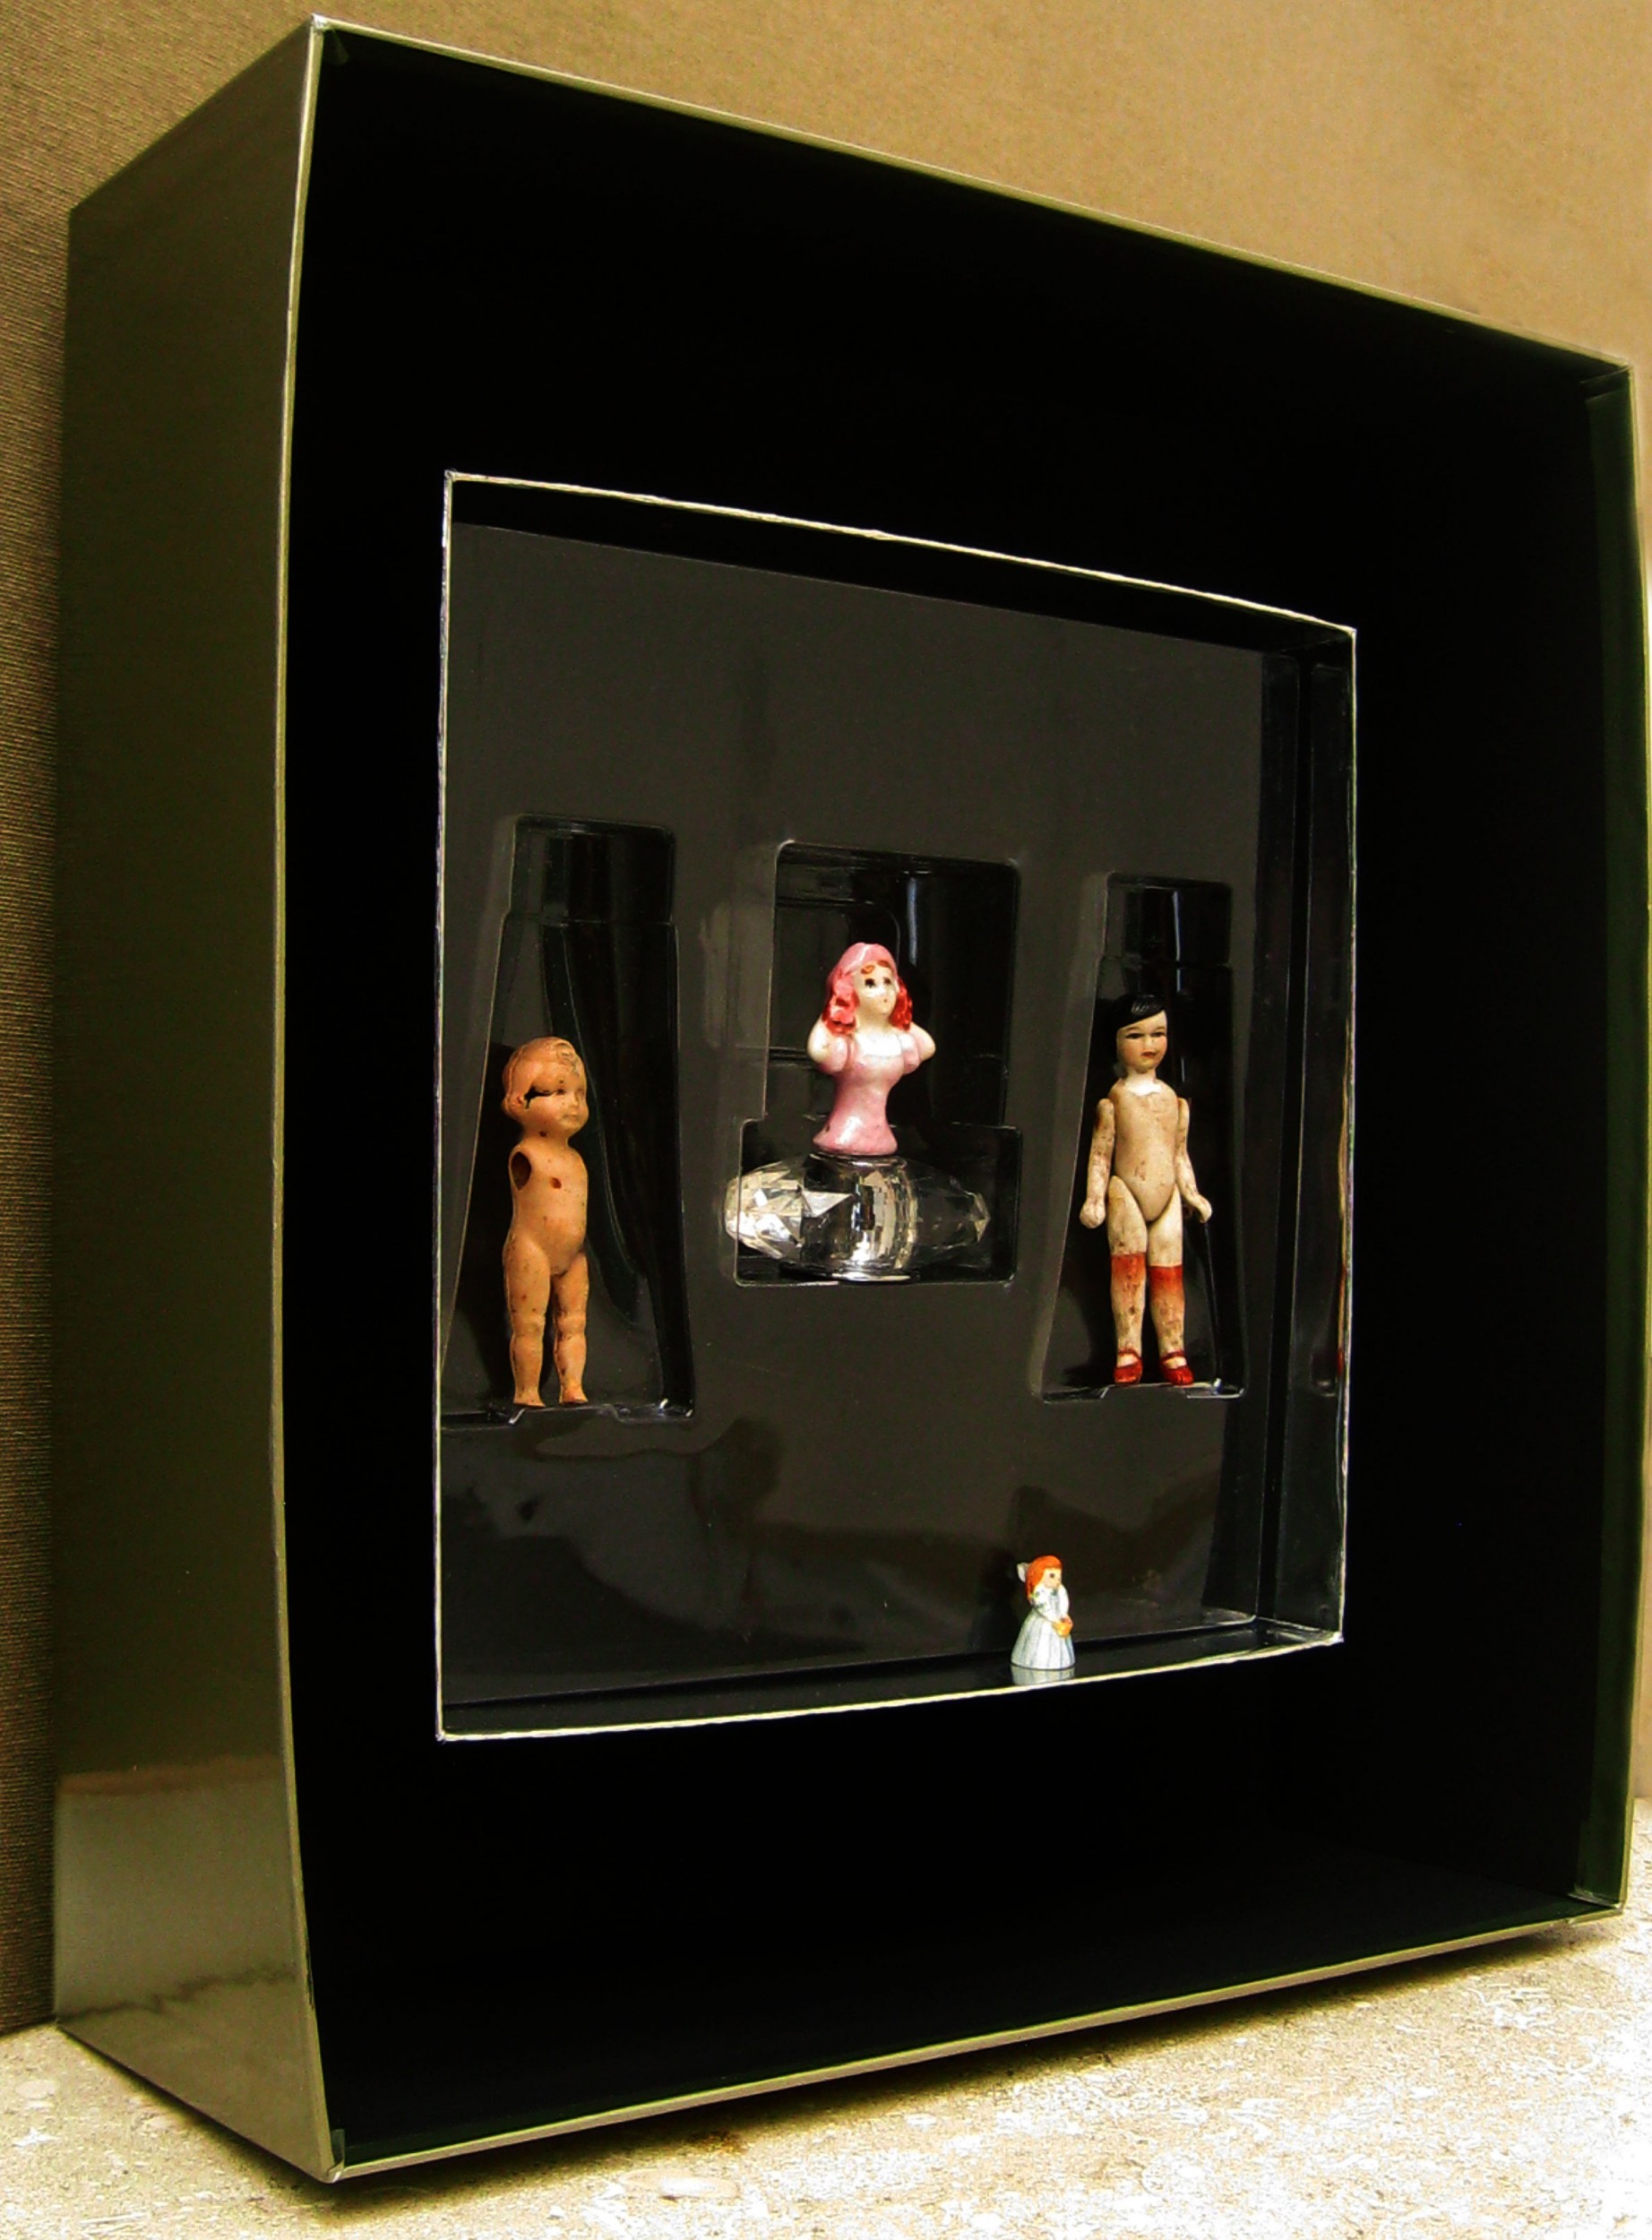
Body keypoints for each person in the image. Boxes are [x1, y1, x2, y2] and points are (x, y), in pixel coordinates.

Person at [1079, 994, 1212, 1385]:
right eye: (1135, 1035)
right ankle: (1128, 1349)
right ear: (1116, 1042)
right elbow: (1101, 1154)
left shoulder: (1174, 1101)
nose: (1149, 1044)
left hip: (1167, 1198)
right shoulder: (1114, 1101)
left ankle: (1173, 1349)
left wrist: (1192, 1193)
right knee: (1128, 1272)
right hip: (1127, 1193)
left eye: (1158, 1034)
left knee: (1169, 1273)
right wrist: (1094, 1198)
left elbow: (1179, 1154)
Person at [501, 1036, 590, 1406]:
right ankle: (527, 1392)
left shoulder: (575, 1159)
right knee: (530, 1325)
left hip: (573, 1254)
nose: (573, 1104)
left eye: (580, 1094)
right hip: (532, 1249)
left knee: (574, 1322)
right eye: (557, 1092)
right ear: (520, 1100)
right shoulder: (527, 1153)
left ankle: (573, 1387)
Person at [806, 942, 935, 1158]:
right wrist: (832, 1011)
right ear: (850, 990)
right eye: (870, 984)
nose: (883, 991)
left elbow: (929, 1046)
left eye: (888, 982)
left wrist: (899, 1019)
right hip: (845, 1132)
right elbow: (818, 1051)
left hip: (882, 1135)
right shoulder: (850, 1041)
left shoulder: (898, 1039)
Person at [1011, 1555, 1075, 1675]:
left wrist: (1063, 1614)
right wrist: (1054, 1619)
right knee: (1040, 1641)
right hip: (1045, 1621)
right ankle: (1036, 1661)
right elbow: (1042, 1607)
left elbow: (1063, 1601)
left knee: (1059, 1643)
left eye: (1059, 1576)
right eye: (1052, 1576)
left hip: (1058, 1620)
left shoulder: (1060, 1589)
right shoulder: (1038, 1592)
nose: (1057, 1580)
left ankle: (1059, 1661)